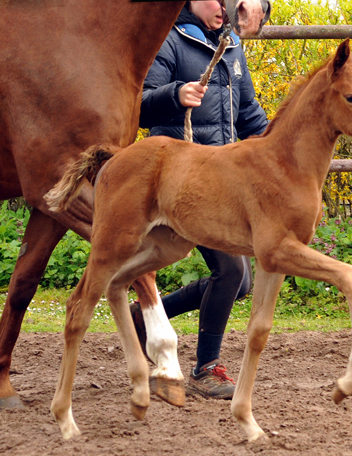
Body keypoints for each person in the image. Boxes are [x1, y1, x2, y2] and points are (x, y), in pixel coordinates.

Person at [134, 0, 269, 400]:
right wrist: (175, 94)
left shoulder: (230, 46)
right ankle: (205, 369)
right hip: (181, 181)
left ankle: (142, 320)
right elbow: (140, 104)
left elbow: (248, 114)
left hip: (222, 178)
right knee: (230, 273)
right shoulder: (170, 40)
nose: (224, 5)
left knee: (241, 282)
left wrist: (281, 146)